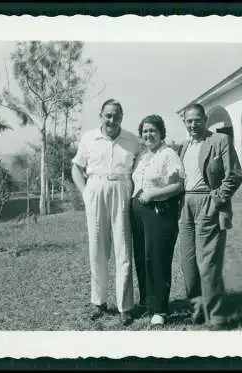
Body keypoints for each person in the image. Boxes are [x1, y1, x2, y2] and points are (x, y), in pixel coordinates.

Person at [71, 98, 140, 326]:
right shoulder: (89, 138)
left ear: (122, 116)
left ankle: (125, 306)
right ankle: (98, 302)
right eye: (107, 115)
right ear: (101, 115)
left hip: (122, 190)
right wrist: (85, 193)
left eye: (116, 115)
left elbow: (139, 169)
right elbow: (76, 168)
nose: (112, 120)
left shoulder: (132, 140)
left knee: (123, 249)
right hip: (95, 189)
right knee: (98, 249)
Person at [176, 103, 242, 330]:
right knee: (188, 262)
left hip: (208, 201)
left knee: (208, 263)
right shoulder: (183, 146)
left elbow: (234, 174)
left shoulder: (219, 141)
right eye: (188, 121)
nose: (193, 125)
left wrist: (217, 199)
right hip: (185, 204)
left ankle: (216, 316)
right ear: (184, 123)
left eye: (197, 120)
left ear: (205, 120)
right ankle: (197, 309)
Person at [130, 115, 185, 326]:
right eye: (144, 131)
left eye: (152, 130)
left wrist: (153, 194)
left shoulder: (168, 154)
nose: (148, 134)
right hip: (138, 212)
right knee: (142, 257)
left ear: (161, 133)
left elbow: (179, 186)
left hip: (159, 211)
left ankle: (160, 309)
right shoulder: (142, 156)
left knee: (157, 258)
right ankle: (147, 301)